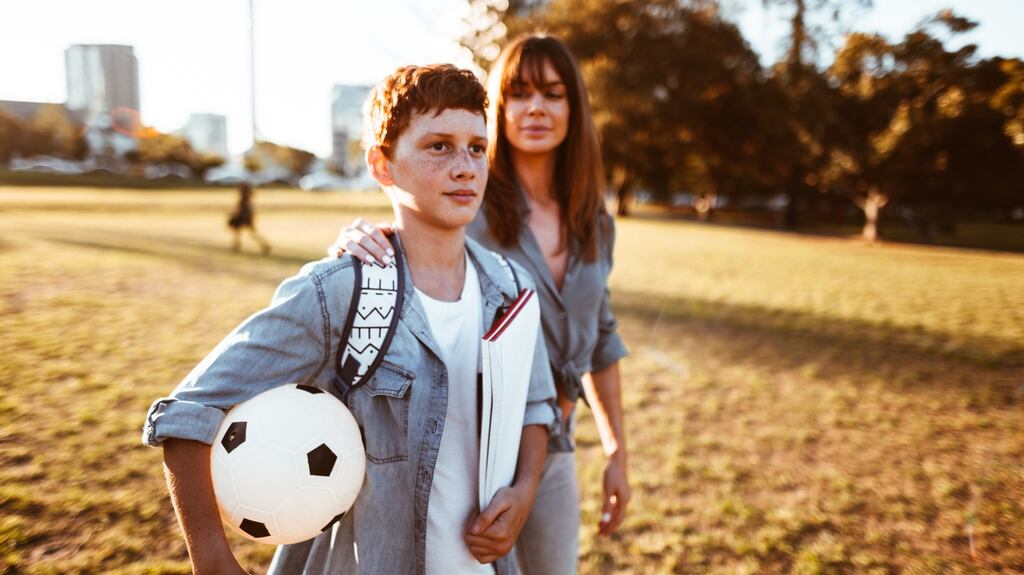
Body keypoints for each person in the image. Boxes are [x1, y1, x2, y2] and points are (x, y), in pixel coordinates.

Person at [141, 63, 559, 575]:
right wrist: (212, 559)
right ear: (383, 165)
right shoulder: (339, 290)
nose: (465, 167)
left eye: (476, 147)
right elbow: (187, 412)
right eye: (439, 146)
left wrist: (523, 490)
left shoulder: (511, 288)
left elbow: (536, 408)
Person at [331, 34, 630, 574]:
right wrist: (359, 236)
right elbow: (410, 235)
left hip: (552, 446)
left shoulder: (596, 224)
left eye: (554, 93)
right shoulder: (467, 198)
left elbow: (602, 338)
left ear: (574, 109)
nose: (536, 107)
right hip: (465, 445)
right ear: (500, 107)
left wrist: (616, 452)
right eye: (519, 93)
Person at [228, 182, 272, 255]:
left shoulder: (244, 198)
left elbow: (243, 208)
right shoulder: (246, 198)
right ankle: (236, 245)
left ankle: (264, 245)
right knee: (240, 232)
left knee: (248, 233)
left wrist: (236, 214)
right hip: (245, 217)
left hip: (243, 218)